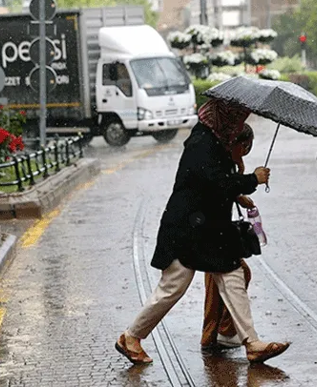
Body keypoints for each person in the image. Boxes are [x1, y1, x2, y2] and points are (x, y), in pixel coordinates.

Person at [116, 100, 290, 365]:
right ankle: (131, 337)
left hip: (209, 231)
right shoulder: (202, 144)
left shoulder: (214, 141)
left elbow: (213, 184)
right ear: (223, 118)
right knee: (173, 286)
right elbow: (214, 183)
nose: (237, 126)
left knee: (232, 276)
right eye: (234, 119)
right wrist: (252, 179)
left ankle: (252, 343)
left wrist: (239, 193)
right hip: (187, 230)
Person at [201, 124, 255, 350]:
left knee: (221, 283)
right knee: (222, 283)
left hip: (216, 231)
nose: (245, 152)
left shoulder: (231, 163)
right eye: (244, 147)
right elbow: (216, 189)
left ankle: (219, 332)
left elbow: (226, 189)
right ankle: (217, 333)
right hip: (209, 231)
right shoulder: (219, 162)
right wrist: (249, 181)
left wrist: (239, 196)